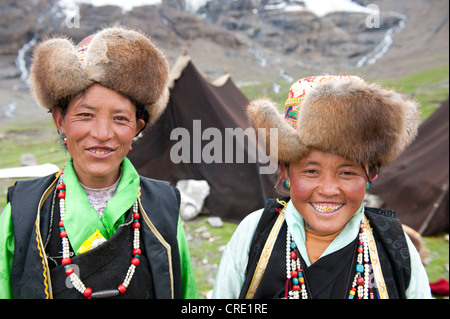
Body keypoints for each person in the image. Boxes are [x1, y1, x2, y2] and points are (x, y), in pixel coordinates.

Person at [0, 27, 198, 299]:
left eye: (120, 118)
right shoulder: (22, 212)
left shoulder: (164, 206)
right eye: (85, 115)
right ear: (60, 121)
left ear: (137, 128)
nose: (103, 134)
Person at [212, 76, 431, 299]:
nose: (328, 189)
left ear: (372, 173)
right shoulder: (253, 234)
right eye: (311, 171)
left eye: (347, 172)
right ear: (285, 170)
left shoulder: (396, 247)